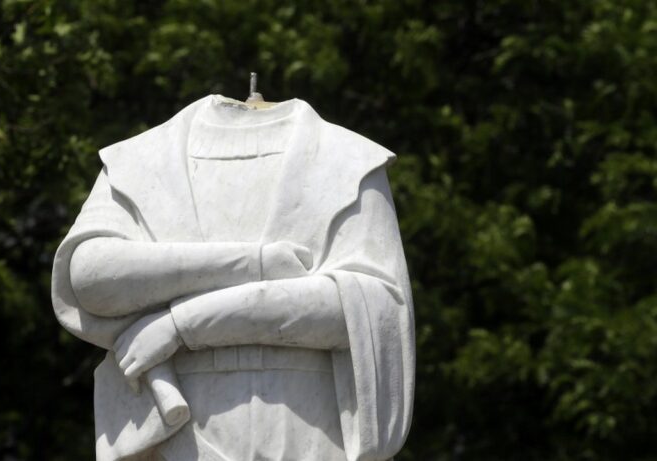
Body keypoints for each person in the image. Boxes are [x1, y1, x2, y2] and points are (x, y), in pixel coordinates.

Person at [51, 94, 415, 460]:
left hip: (308, 433)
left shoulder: (348, 160)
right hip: (178, 439)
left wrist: (179, 325)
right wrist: (254, 263)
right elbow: (89, 276)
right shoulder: (142, 159)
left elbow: (371, 310)